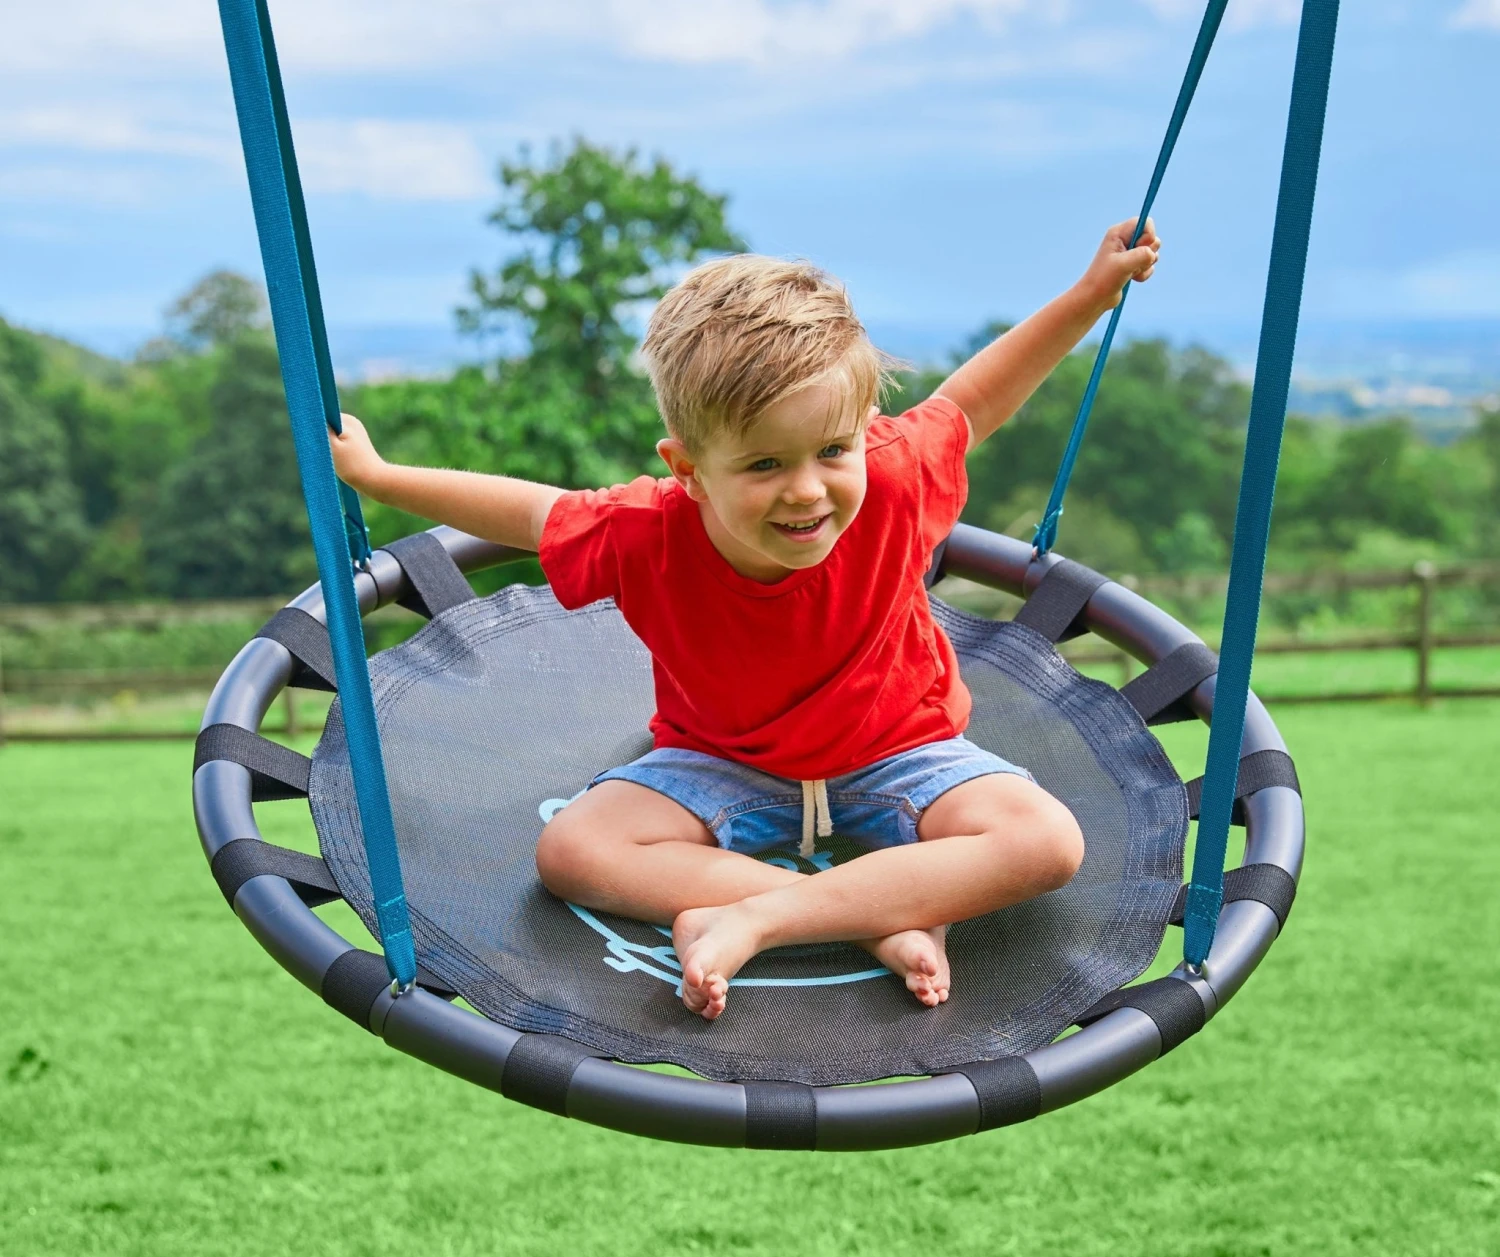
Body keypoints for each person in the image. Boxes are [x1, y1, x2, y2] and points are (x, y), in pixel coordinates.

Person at [329, 218, 1161, 1020]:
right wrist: (380, 477)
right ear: (688, 468)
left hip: (906, 751)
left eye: (832, 450)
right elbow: (527, 511)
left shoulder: (893, 477)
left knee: (1046, 842)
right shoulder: (647, 531)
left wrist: (1092, 294)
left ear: (862, 432)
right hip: (720, 762)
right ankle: (879, 912)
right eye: (764, 464)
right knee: (572, 853)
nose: (807, 489)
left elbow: (975, 400)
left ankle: (761, 916)